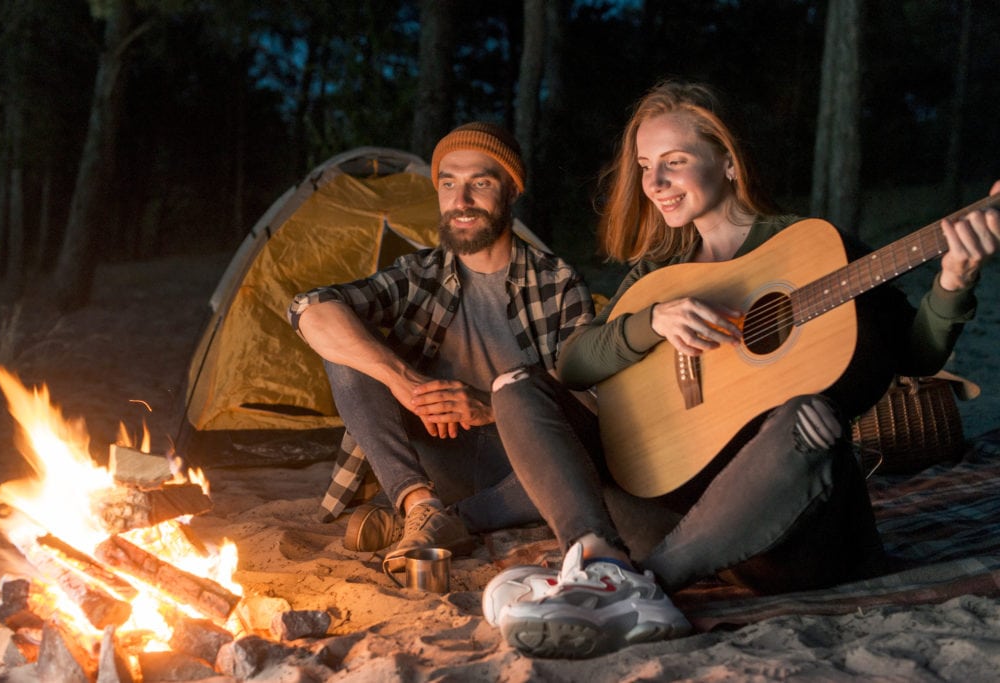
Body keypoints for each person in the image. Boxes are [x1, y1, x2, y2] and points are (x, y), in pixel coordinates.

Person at [482, 80, 1000, 658]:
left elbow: (916, 356)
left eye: (674, 163)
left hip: (789, 531)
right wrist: (651, 322)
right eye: (646, 166)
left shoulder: (811, 246)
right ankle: (599, 562)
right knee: (518, 386)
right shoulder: (662, 274)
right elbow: (573, 365)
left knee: (808, 415)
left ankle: (636, 588)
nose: (654, 184)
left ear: (728, 162)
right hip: (673, 519)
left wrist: (954, 279)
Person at [288, 122, 595, 572]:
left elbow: (589, 402)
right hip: (432, 461)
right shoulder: (418, 274)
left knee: (584, 465)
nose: (461, 201)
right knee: (347, 351)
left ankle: (446, 521)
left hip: (520, 468)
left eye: (481, 184)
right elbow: (309, 306)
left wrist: (491, 406)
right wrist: (404, 380)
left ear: (511, 190)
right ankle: (418, 504)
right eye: (448, 183)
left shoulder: (558, 283)